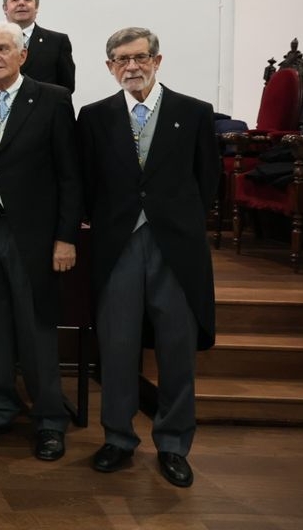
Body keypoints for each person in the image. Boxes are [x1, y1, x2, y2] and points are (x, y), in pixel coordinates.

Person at [78, 27, 218, 488]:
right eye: (121, 59)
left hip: (176, 250)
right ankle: (118, 438)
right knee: (117, 346)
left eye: (140, 57)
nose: (131, 66)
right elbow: (88, 182)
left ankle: (173, 444)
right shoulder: (94, 117)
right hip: (117, 246)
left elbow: (207, 181)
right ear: (109, 67)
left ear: (157, 61)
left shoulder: (193, 113)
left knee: (177, 349)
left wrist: (176, 222)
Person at [0, 21, 81, 461]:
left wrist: (65, 237)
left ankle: (49, 420)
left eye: (3, 48)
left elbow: (69, 174)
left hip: (34, 236)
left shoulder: (53, 99)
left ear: (22, 55)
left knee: (36, 330)